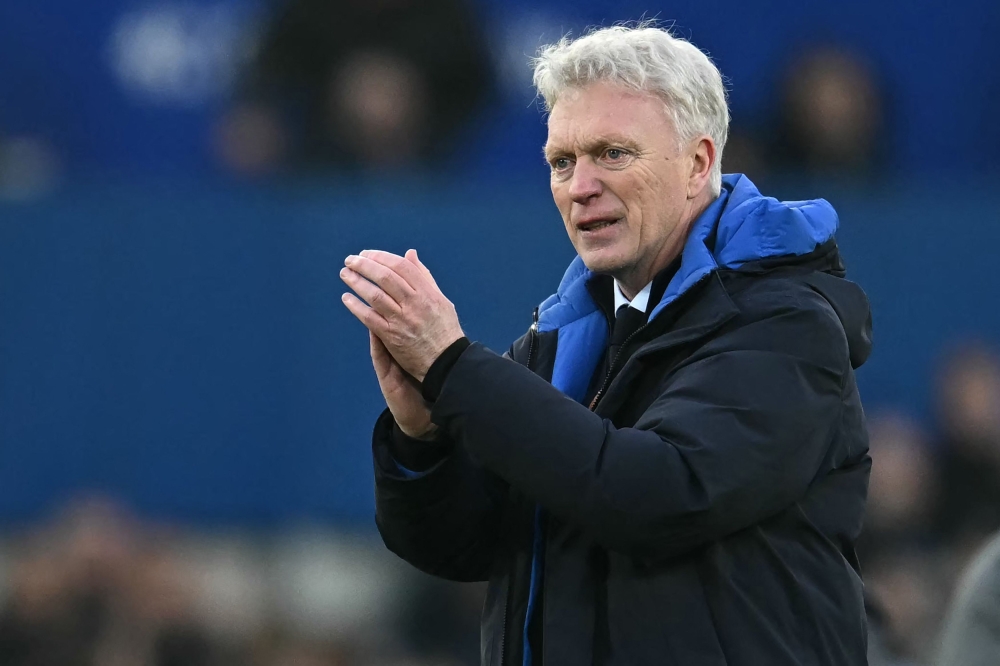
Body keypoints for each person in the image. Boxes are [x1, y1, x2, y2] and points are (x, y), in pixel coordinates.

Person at [341, 23, 873, 666]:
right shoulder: (559, 339)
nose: (580, 185)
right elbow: (458, 548)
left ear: (699, 163)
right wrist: (422, 437)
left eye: (612, 153)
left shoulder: (783, 326)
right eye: (562, 162)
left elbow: (655, 493)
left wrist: (455, 370)